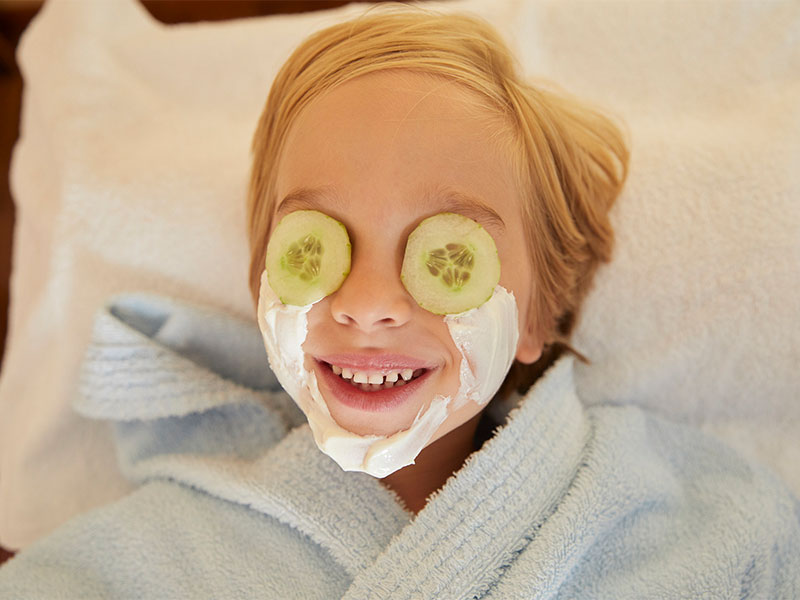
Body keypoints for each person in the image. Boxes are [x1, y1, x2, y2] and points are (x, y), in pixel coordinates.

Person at [0, 7, 798, 599]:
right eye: (315, 246)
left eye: (448, 256)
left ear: (538, 314)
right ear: (262, 279)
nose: (369, 303)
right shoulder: (121, 569)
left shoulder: (712, 523)